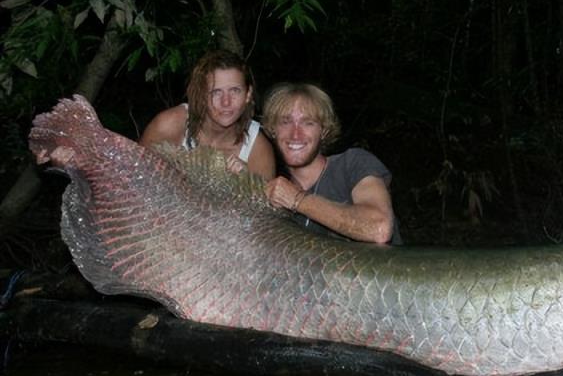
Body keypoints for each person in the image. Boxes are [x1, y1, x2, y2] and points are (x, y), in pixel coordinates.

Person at [261, 82, 400, 245]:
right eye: (285, 122)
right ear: (272, 130)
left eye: (308, 122)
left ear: (324, 131)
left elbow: (379, 229)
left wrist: (298, 200)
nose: (295, 134)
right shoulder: (274, 197)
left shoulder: (352, 163)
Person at [140, 50, 276, 180]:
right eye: (216, 92)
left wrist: (248, 185)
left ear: (248, 94)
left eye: (235, 91)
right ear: (202, 95)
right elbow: (132, 178)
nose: (226, 102)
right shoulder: (170, 124)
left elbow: (263, 203)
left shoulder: (258, 150)